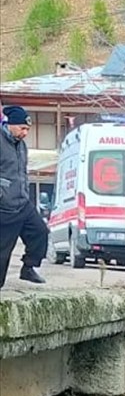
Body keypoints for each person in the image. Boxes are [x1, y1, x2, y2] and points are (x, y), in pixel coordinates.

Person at [0, 106, 48, 288]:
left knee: (41, 233)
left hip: (22, 203)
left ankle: (28, 268)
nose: (25, 133)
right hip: (4, 207)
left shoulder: (22, 146)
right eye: (22, 128)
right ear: (10, 125)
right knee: (2, 254)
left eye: (28, 129)